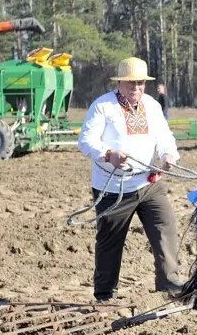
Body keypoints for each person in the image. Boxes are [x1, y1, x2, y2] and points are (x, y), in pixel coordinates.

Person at [77, 56, 185, 301]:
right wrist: (107, 154)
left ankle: (170, 283)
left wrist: (168, 155)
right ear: (120, 83)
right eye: (131, 83)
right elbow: (86, 141)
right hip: (114, 187)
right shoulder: (103, 106)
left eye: (140, 83)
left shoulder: (152, 105)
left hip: (148, 183)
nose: (136, 88)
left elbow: (164, 137)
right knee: (110, 241)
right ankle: (104, 294)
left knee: (165, 228)